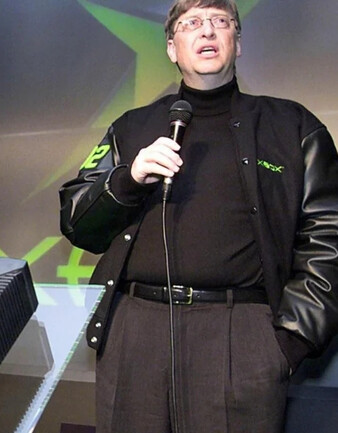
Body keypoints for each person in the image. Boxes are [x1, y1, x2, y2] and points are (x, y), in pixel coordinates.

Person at [59, 0, 338, 432]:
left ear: (237, 43)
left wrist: (290, 341)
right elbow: (76, 221)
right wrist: (128, 179)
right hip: (135, 331)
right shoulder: (130, 128)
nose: (206, 31)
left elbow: (329, 235)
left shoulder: (293, 126)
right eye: (191, 23)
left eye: (219, 21)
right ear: (172, 48)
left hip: (240, 336)